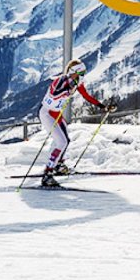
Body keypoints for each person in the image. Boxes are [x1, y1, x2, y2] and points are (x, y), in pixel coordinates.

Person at [39, 58, 116, 187]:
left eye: (83, 73)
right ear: (73, 72)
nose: (83, 76)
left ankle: (58, 165)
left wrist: (102, 107)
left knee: (66, 141)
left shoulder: (76, 83)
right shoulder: (61, 80)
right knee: (61, 142)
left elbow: (86, 96)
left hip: (57, 114)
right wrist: (66, 91)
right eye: (81, 73)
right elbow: (54, 94)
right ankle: (47, 174)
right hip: (47, 114)